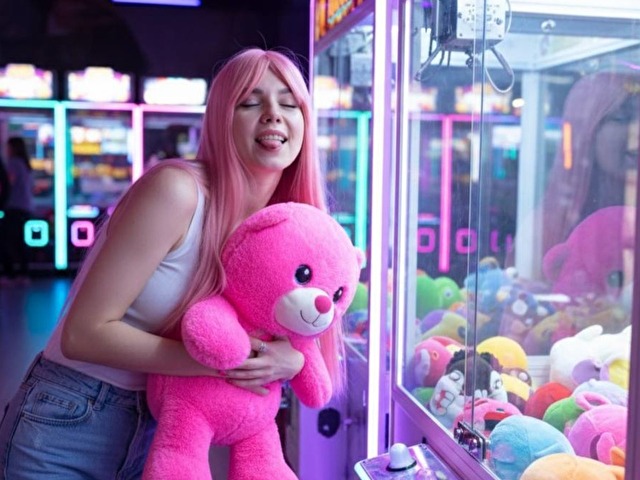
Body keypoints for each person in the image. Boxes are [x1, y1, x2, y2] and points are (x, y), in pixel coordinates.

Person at [0, 47, 345, 479]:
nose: (273, 114)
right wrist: (232, 360)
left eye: (289, 103)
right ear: (222, 119)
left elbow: (277, 334)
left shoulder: (284, 226)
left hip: (159, 429)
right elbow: (83, 335)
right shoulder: (178, 191)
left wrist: (291, 361)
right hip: (71, 419)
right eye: (250, 102)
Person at [0, 136, 34, 287]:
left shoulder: (13, 163)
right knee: (19, 241)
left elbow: (8, 183)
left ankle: (10, 274)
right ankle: (23, 274)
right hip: (25, 207)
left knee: (7, 241)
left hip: (14, 206)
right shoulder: (26, 165)